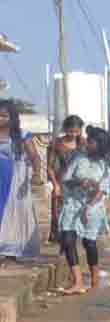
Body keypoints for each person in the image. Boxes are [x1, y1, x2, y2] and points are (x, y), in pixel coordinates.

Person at [58, 127, 110, 294]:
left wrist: (89, 206)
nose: (86, 143)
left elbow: (103, 190)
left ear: (99, 144)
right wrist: (79, 182)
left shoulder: (107, 165)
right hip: (73, 203)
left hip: (93, 207)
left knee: (88, 242)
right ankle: (78, 281)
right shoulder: (79, 158)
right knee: (68, 239)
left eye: (90, 141)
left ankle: (95, 276)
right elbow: (65, 179)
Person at [0, 100, 42, 265]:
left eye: (4, 116)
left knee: (14, 215)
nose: (0, 119)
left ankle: (11, 251)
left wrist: (37, 174)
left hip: (15, 181)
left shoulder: (22, 135)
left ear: (12, 118)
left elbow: (35, 157)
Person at [46, 115, 85, 243]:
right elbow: (50, 166)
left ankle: (74, 239)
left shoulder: (83, 143)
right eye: (70, 131)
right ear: (65, 128)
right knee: (59, 212)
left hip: (80, 183)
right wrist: (55, 185)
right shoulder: (56, 144)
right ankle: (60, 240)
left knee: (77, 211)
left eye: (76, 131)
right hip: (62, 182)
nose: (73, 134)